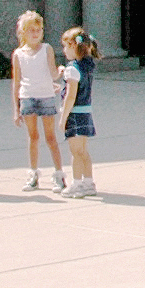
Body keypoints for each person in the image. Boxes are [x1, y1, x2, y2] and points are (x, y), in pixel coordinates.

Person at [9, 11, 66, 191]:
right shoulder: (18, 54)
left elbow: (53, 73)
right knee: (33, 137)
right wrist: (16, 109)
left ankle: (58, 175)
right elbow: (16, 82)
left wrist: (61, 72)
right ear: (23, 32)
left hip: (46, 96)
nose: (36, 33)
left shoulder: (47, 49)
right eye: (32, 30)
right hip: (28, 97)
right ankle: (33, 174)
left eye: (39, 30)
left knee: (51, 137)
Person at [56, 28, 102, 199]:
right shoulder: (88, 65)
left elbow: (70, 96)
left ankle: (76, 183)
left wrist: (63, 118)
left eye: (65, 47)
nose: (64, 51)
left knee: (75, 153)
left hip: (74, 114)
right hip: (86, 112)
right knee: (84, 151)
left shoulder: (72, 69)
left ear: (74, 46)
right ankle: (89, 182)